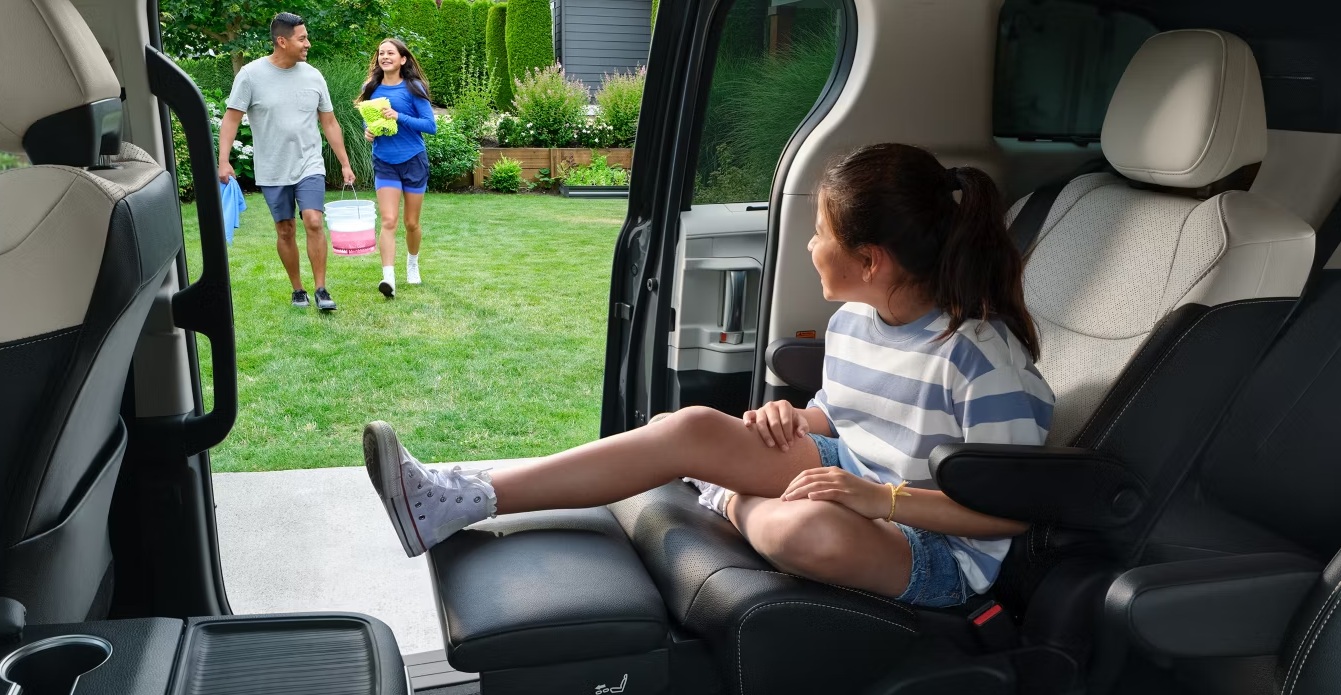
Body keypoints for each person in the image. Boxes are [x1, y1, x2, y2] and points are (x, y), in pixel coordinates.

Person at [362, 143, 1055, 607]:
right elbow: (843, 417)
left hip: (931, 542)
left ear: (870, 260)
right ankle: (460, 497)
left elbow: (1010, 509)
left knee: (803, 531)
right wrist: (794, 419)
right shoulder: (853, 322)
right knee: (691, 424)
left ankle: (727, 496)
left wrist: (879, 501)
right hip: (850, 474)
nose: (811, 245)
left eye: (820, 233)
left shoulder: (977, 357)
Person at [218, 12, 357, 312]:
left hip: (309, 163)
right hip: (272, 168)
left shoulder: (313, 75)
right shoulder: (251, 76)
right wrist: (223, 160)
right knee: (285, 229)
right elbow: (230, 120)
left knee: (313, 220)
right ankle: (298, 289)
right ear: (282, 41)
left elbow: (330, 122)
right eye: (302, 38)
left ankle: (321, 289)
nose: (308, 43)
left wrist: (345, 163)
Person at [357, 39, 437, 299]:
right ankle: (388, 278)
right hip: (385, 161)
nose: (385, 57)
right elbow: (369, 122)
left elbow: (430, 125)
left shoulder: (414, 88)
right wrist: (367, 132)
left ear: (403, 59)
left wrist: (398, 116)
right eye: (381, 53)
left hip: (413, 160)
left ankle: (412, 264)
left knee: (411, 223)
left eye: (390, 53)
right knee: (389, 220)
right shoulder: (371, 88)